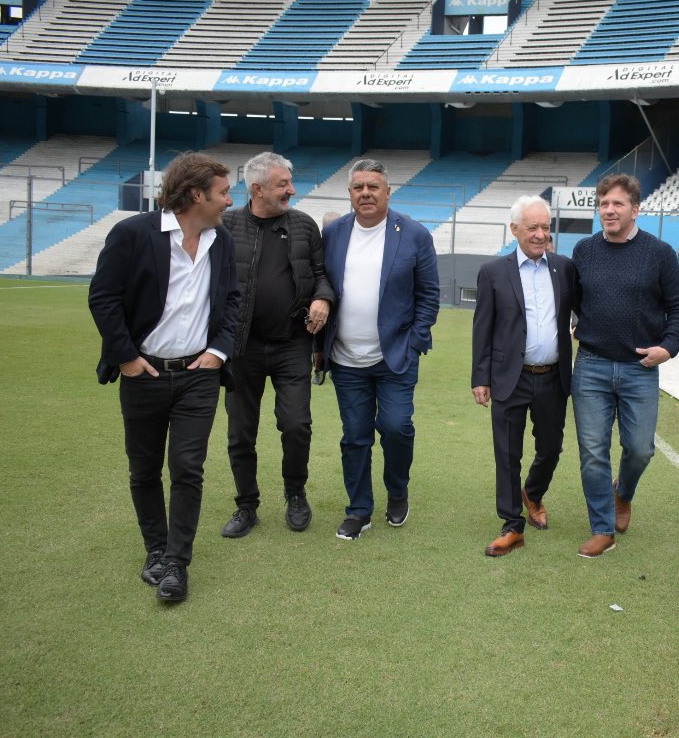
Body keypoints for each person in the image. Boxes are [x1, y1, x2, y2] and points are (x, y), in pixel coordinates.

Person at [88, 151, 239, 603]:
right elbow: (104, 298)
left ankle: (177, 564)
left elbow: (232, 302)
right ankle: (155, 550)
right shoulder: (133, 234)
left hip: (198, 375)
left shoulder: (222, 241)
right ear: (196, 194)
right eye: (223, 192)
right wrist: (128, 359)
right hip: (145, 374)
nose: (229, 201)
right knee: (144, 468)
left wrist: (218, 351)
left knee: (188, 468)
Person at [317, 159, 440, 540]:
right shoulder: (334, 233)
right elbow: (321, 279)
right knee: (354, 435)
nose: (366, 193)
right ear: (350, 194)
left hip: (396, 356)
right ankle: (359, 510)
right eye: (358, 187)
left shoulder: (415, 234)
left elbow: (429, 295)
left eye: (373, 186)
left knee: (396, 427)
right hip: (345, 359)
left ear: (388, 191)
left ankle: (398, 489)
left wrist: (416, 339)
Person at [570, 173, 679, 558]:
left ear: (635, 209)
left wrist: (668, 349)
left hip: (640, 369)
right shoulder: (584, 251)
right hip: (590, 367)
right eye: (604, 204)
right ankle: (602, 528)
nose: (609, 210)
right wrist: (576, 323)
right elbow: (573, 299)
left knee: (640, 450)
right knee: (592, 450)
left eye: (617, 204)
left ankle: (624, 494)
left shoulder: (659, 253)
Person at [218, 152, 335, 539]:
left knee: (297, 424)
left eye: (290, 182)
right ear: (257, 188)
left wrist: (323, 299)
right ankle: (246, 505)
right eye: (283, 184)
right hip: (241, 346)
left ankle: (295, 493)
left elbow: (322, 275)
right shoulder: (227, 224)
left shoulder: (302, 225)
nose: (291, 190)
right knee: (240, 432)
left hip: (291, 344)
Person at [471, 196, 576, 557]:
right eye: (533, 227)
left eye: (546, 227)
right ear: (514, 229)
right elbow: (482, 328)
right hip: (508, 377)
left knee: (551, 448)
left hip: (553, 377)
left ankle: (533, 492)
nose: (540, 234)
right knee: (507, 453)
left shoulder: (564, 268)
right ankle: (512, 524)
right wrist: (480, 377)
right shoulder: (493, 272)